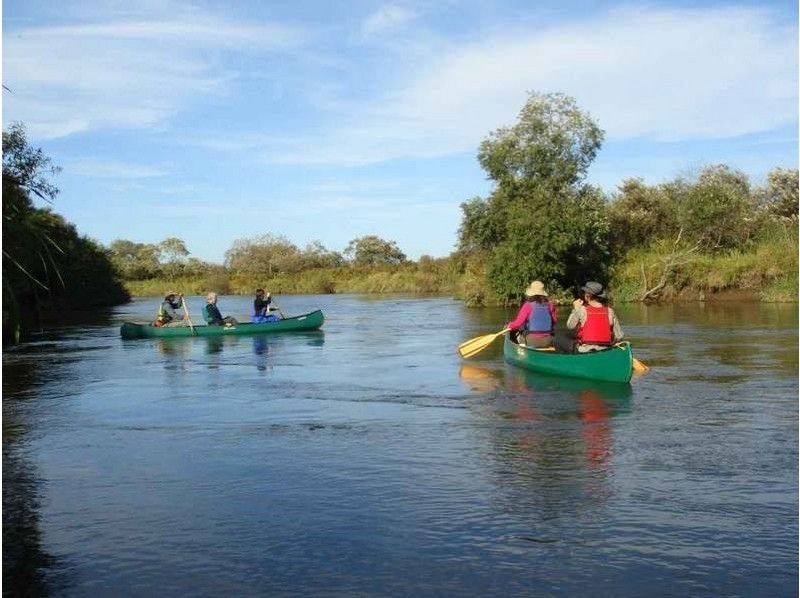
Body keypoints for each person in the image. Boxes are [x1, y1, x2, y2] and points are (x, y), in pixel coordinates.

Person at [555, 281, 623, 353]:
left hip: (585, 351)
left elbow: (570, 326)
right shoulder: (610, 311)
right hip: (605, 349)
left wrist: (576, 309)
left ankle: (568, 361)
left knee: (557, 339)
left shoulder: (581, 310)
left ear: (588, 295)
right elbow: (619, 336)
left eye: (585, 292)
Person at [506, 280, 557, 348]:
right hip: (548, 340)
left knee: (513, 334)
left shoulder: (527, 305)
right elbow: (554, 321)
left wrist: (509, 325)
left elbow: (518, 323)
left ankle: (522, 349)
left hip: (531, 341)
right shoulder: (550, 305)